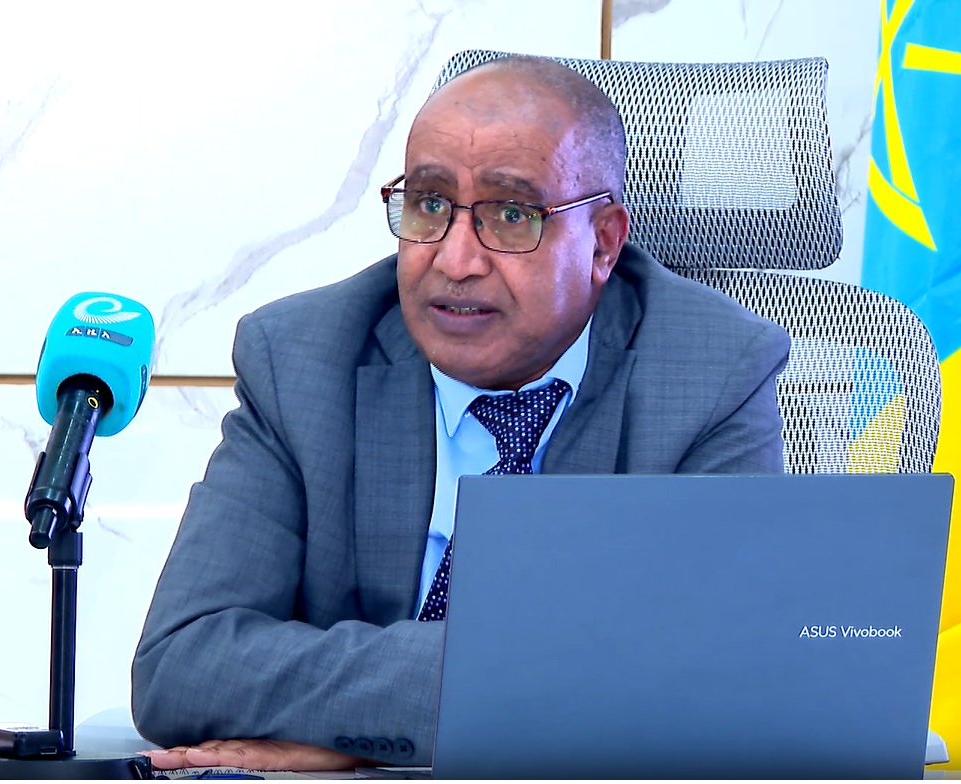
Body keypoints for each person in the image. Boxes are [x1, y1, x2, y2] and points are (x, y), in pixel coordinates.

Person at [131, 54, 791, 772]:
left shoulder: (711, 372)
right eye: (428, 204)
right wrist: (430, 716)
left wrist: (350, 731)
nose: (454, 260)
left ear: (603, 243)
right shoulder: (302, 359)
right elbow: (182, 663)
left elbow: (719, 681)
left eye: (510, 215)